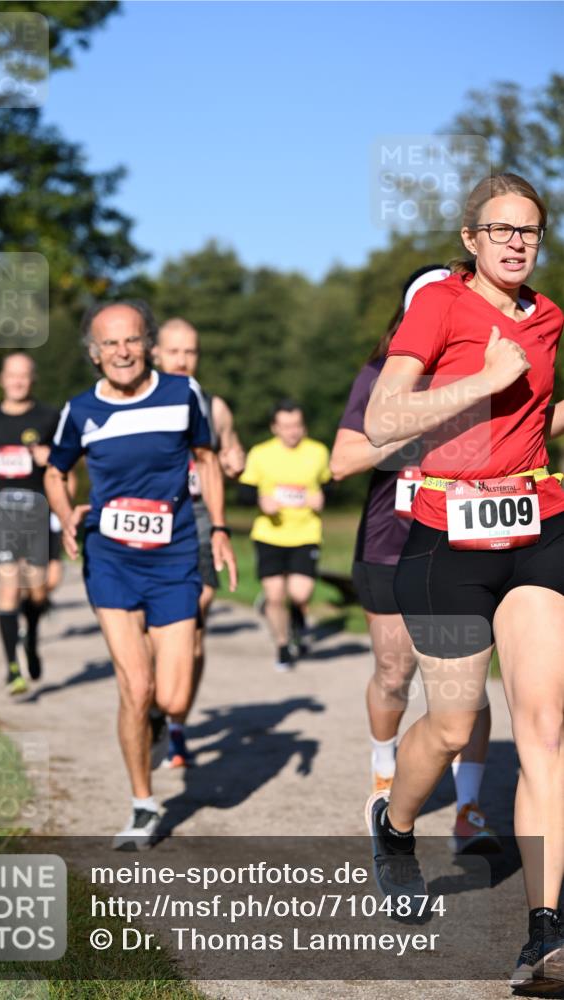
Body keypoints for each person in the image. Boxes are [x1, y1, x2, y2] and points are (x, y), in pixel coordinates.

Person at [363, 174, 564, 986]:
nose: (516, 243)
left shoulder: (549, 317)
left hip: (536, 530)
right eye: (501, 230)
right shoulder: (438, 306)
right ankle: (396, 826)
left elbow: (540, 416)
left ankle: (544, 933)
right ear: (470, 237)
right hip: (443, 542)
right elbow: (381, 420)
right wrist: (481, 380)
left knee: (544, 728)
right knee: (451, 727)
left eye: (530, 231)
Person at [45, 300, 237, 849]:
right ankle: (142, 803)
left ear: (148, 345)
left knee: (173, 697)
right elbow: (54, 471)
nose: (122, 352)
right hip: (110, 557)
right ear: (93, 353)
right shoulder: (80, 410)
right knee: (136, 684)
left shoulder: (182, 395)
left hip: (174, 554)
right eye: (110, 343)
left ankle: (157, 718)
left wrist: (218, 528)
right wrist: (64, 514)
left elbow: (206, 458)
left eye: (131, 340)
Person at [331, 264, 499, 854]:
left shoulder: (484, 370)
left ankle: (469, 809)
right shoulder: (380, 375)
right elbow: (341, 461)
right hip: (388, 546)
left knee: (469, 687)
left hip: (459, 546)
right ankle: (384, 772)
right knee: (394, 673)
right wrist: (422, 426)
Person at [153, 317, 245, 766]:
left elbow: (232, 452)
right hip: (153, 519)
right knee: (160, 633)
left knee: (195, 614)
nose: (183, 360)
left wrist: (235, 459)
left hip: (200, 518)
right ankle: (155, 699)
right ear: (156, 355)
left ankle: (177, 724)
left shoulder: (214, 406)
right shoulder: (140, 403)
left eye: (190, 352)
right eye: (174, 352)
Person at [0, 353, 60, 694]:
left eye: (24, 376)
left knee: (38, 589)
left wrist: (50, 457)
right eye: (12, 375)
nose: (18, 381)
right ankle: (12, 670)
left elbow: (68, 457)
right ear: (2, 379)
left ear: (33, 379)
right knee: (8, 588)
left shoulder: (50, 416)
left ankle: (32, 637)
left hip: (40, 511)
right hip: (5, 512)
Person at [239, 401, 331, 671]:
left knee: (300, 593)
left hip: (306, 533)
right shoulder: (260, 453)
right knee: (276, 594)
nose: (293, 432)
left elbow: (329, 486)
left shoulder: (317, 452)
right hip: (270, 534)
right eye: (286, 426)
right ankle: (282, 645)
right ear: (274, 428)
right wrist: (260, 500)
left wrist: (322, 497)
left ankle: (293, 616)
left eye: (298, 426)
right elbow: (244, 493)